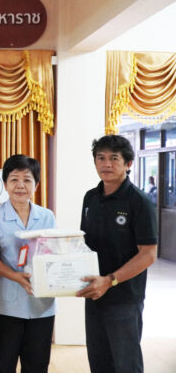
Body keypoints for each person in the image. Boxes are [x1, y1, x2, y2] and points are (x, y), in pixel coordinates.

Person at [77, 135, 157, 373]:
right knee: (98, 361)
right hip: (94, 294)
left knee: (126, 364)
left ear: (128, 163)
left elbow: (148, 254)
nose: (106, 164)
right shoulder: (90, 197)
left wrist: (109, 280)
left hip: (124, 298)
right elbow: (84, 243)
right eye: (101, 158)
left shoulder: (139, 202)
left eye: (114, 158)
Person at [0, 154, 57, 373]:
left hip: (41, 303)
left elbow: (54, 254)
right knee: (4, 365)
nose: (20, 185)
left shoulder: (47, 216)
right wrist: (15, 277)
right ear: (5, 184)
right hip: (4, 304)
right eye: (14, 179)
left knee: (37, 364)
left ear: (36, 185)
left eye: (27, 180)